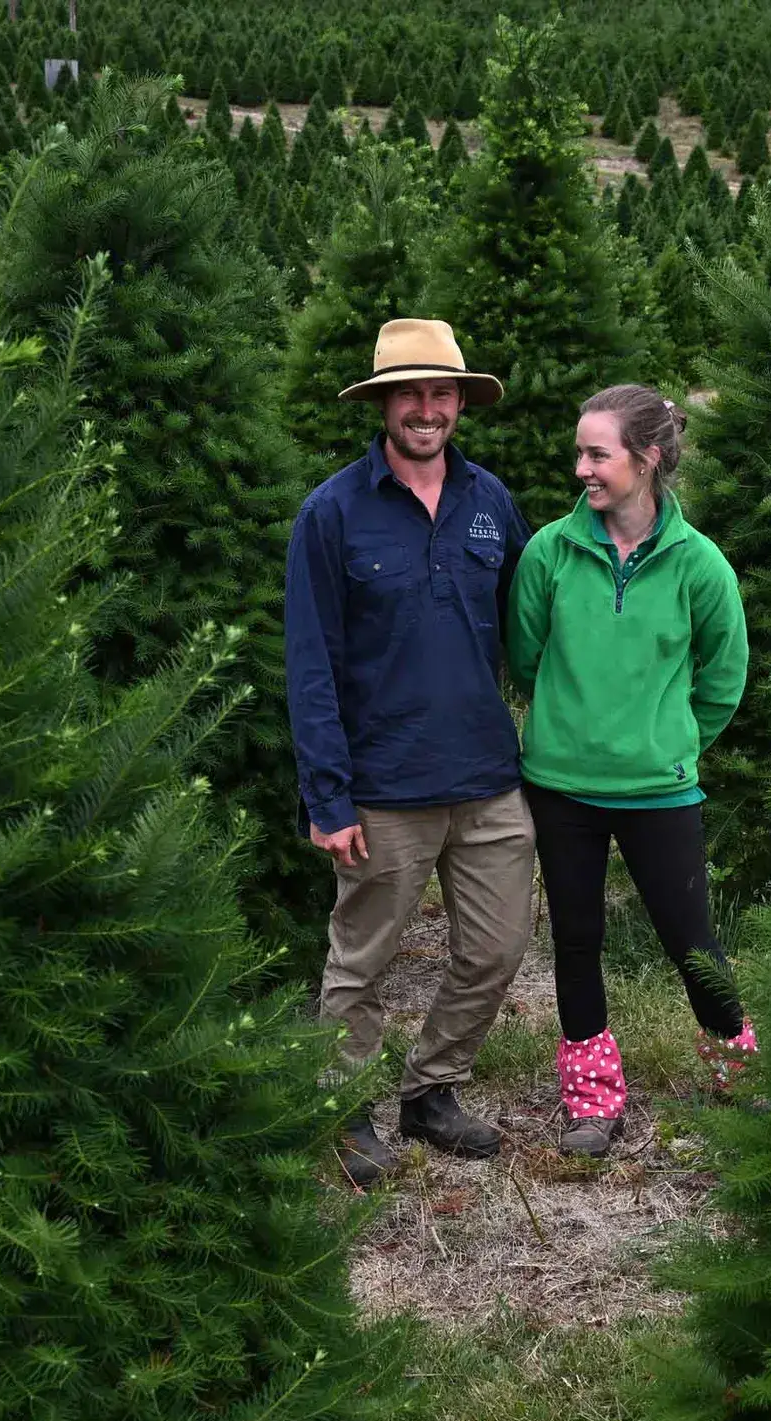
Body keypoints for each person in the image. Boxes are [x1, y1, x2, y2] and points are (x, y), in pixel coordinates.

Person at [284, 319, 537, 1186]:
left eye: (441, 394)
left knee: (500, 945)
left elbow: (529, 628)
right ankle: (346, 1110)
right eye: (410, 395)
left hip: (487, 778)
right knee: (362, 962)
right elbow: (310, 663)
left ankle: (431, 1092)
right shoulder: (333, 513)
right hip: (383, 786)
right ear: (384, 404)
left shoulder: (491, 503)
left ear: (460, 402)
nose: (427, 410)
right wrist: (329, 796)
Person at [505, 384, 754, 1158]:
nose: (581, 467)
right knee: (576, 940)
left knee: (692, 942)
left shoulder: (698, 564)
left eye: (597, 453)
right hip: (562, 788)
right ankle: (592, 1099)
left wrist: (670, 740)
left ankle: (737, 1084)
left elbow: (725, 673)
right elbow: (524, 655)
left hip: (660, 790)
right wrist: (568, 729)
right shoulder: (550, 551)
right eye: (579, 451)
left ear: (645, 460)